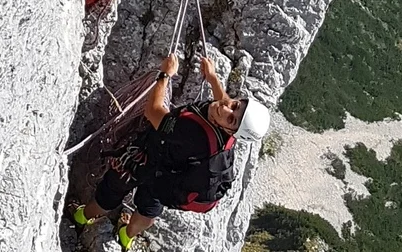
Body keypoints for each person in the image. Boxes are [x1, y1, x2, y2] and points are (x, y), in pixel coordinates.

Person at [70, 53, 271, 250]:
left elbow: (153, 111)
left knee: (111, 191)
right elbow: (224, 102)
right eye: (235, 105)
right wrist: (213, 79)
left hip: (145, 161)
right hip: (170, 179)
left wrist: (165, 75)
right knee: (148, 211)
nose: (226, 109)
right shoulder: (227, 137)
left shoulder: (191, 133)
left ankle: (81, 216)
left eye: (231, 119)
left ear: (230, 130)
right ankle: (126, 236)